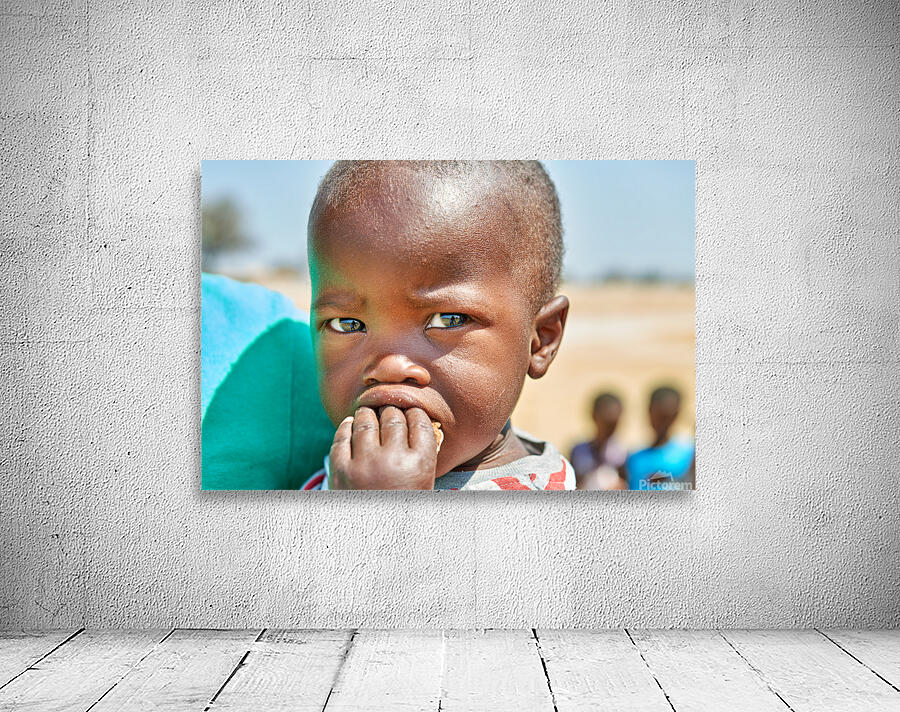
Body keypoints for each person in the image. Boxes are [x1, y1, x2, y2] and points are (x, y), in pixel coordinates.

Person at [300, 160, 574, 490]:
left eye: (448, 320)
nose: (389, 367)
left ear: (541, 339)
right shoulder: (344, 466)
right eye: (347, 323)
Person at [624, 386, 695, 490]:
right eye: (659, 416)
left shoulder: (689, 453)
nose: (662, 423)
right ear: (649, 411)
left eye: (667, 417)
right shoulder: (634, 456)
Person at [569, 392, 628, 490]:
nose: (609, 429)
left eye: (613, 424)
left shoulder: (622, 454)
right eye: (606, 423)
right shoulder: (578, 452)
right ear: (594, 416)